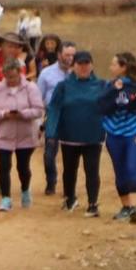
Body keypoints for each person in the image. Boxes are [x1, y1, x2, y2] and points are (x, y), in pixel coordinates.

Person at [46, 50, 106, 215]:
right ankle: (70, 198)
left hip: (93, 136)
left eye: (87, 63)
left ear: (92, 65)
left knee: (92, 170)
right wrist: (51, 132)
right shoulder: (64, 86)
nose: (84, 67)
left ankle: (93, 203)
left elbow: (110, 107)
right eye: (80, 64)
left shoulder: (101, 85)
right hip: (69, 136)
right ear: (73, 66)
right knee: (70, 169)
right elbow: (54, 109)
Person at [102, 52, 136, 223]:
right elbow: (102, 107)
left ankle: (134, 208)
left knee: (132, 168)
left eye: (114, 64)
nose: (110, 68)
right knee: (120, 171)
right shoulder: (109, 85)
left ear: (123, 67)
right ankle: (125, 207)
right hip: (114, 134)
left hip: (135, 134)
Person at [0, 61, 44, 211]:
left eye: (14, 77)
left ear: (20, 73)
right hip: (4, 133)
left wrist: (22, 114)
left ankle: (25, 191)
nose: (11, 80)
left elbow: (38, 110)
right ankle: (6, 198)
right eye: (8, 77)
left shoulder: (30, 87)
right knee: (3, 166)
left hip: (25, 134)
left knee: (23, 166)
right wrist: (4, 114)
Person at [36, 40, 72, 199]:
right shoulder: (46, 74)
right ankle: (51, 180)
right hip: (53, 115)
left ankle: (68, 187)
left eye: (73, 55)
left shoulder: (79, 73)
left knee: (71, 154)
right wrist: (38, 122)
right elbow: (38, 98)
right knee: (49, 153)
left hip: (73, 116)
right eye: (66, 55)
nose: (70, 58)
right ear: (59, 55)